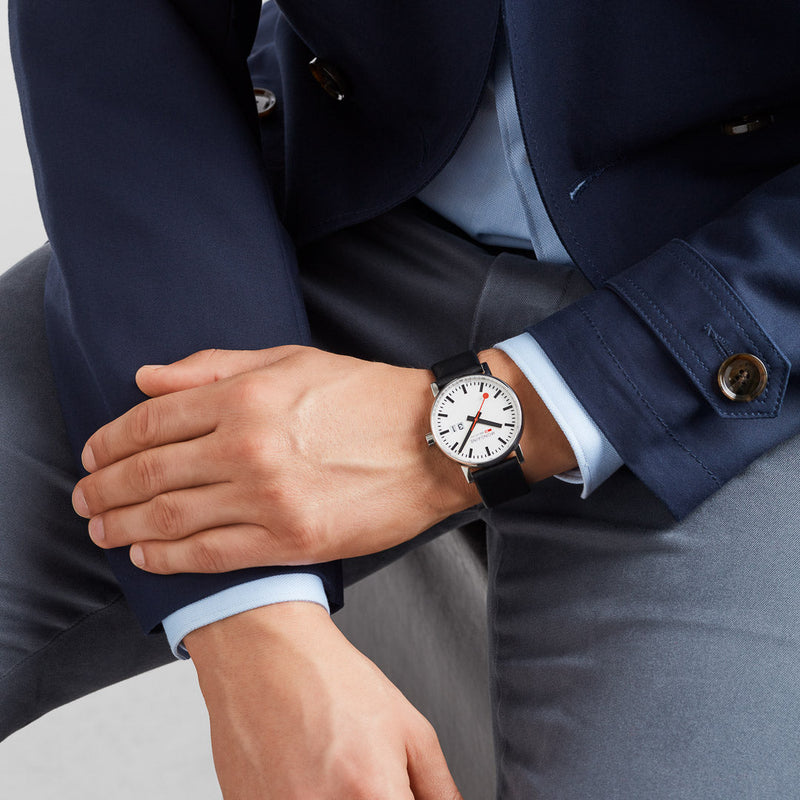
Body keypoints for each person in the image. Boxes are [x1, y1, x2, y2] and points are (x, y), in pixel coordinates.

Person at [3, 1, 799, 798]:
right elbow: (122, 31)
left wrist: (447, 439)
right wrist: (249, 610)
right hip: (335, 216)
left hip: (750, 296)